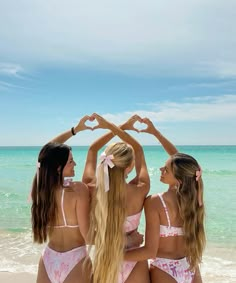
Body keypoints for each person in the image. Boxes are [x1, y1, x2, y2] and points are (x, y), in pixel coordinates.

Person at [124, 117, 206, 283]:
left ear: (179, 179)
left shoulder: (155, 202)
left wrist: (115, 255)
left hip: (164, 269)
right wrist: (155, 133)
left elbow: (149, 251)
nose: (161, 169)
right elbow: (183, 163)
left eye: (166, 169)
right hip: (190, 267)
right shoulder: (196, 199)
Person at [82, 113, 150, 283]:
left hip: (105, 259)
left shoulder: (90, 187)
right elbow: (139, 149)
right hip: (134, 258)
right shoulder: (140, 189)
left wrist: (117, 126)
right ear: (130, 166)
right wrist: (117, 127)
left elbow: (92, 149)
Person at [31, 115, 94, 283]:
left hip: (48, 260)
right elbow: (89, 237)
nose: (75, 164)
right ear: (59, 168)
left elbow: (46, 153)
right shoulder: (78, 190)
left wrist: (75, 130)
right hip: (76, 261)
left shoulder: (40, 190)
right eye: (71, 161)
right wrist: (126, 239)